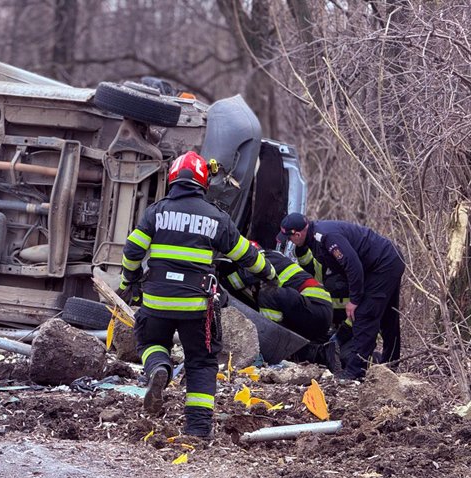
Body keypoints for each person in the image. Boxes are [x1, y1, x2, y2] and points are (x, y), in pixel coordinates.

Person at [119, 151, 277, 438]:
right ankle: (198, 429)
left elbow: (132, 251)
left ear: (173, 180)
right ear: (204, 183)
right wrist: (268, 272)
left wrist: (128, 280)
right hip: (196, 305)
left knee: (152, 340)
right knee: (201, 361)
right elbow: (246, 254)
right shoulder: (216, 217)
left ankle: (159, 366)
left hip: (157, 300)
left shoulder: (156, 212)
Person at [278, 212, 405, 380]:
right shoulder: (313, 240)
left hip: (383, 264)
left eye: (290, 238)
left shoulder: (326, 237)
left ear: (298, 234)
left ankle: (355, 371)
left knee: (364, 316)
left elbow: (353, 266)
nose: (291, 243)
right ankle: (391, 364)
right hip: (383, 262)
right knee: (388, 317)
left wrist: (355, 299)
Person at [225, 246, 333, 366]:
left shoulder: (265, 258)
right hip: (318, 310)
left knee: (267, 295)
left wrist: (220, 276)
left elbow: (237, 281)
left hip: (315, 303)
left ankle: (269, 349)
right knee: (302, 347)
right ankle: (321, 354)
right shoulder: (274, 255)